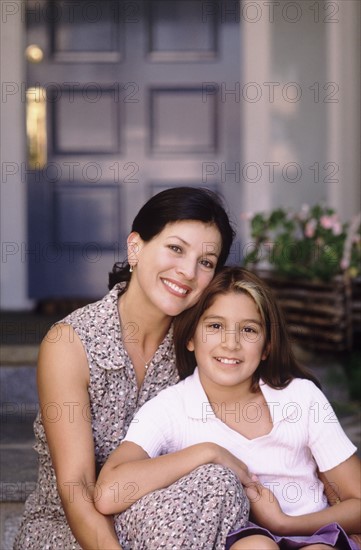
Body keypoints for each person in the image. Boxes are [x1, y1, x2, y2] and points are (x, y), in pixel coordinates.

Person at [14, 188, 250, 549]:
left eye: (206, 262)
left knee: (217, 486)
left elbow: (266, 416)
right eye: (175, 248)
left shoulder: (202, 343)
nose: (187, 272)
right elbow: (76, 488)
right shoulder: (71, 343)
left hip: (168, 520)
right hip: (73, 530)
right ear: (136, 248)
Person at [95, 267, 361, 550]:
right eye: (215, 326)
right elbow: (109, 492)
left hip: (316, 533)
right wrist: (208, 452)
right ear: (190, 338)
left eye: (248, 330)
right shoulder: (171, 409)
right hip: (241, 539)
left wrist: (284, 524)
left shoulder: (301, 398)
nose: (230, 343)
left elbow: (357, 501)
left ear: (267, 346)